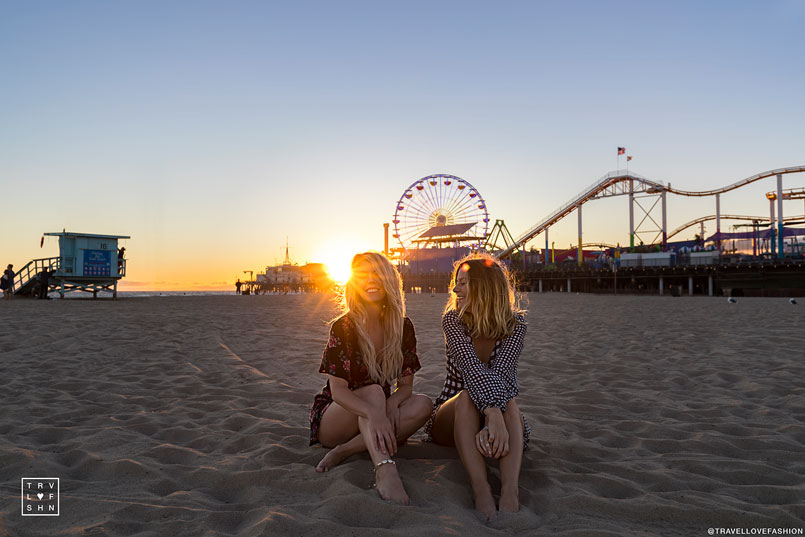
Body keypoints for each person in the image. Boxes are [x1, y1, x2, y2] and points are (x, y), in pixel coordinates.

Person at [309, 252, 432, 505]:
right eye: (363, 274)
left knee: (424, 404)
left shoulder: (402, 327)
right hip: (337, 415)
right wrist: (374, 412)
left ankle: (346, 450)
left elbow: (406, 388)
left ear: (389, 280)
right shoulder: (343, 327)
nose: (370, 279)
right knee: (375, 391)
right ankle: (385, 468)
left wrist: (390, 405)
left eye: (377, 273)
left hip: (378, 408)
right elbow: (339, 391)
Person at [425, 255, 529, 521]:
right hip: (453, 414)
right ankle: (481, 488)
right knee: (467, 396)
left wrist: (493, 412)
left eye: (463, 283)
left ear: (485, 286)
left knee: (510, 401)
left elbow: (504, 373)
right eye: (456, 282)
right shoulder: (453, 321)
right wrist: (492, 412)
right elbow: (471, 369)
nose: (455, 289)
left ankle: (509, 490)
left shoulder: (515, 325)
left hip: (498, 407)